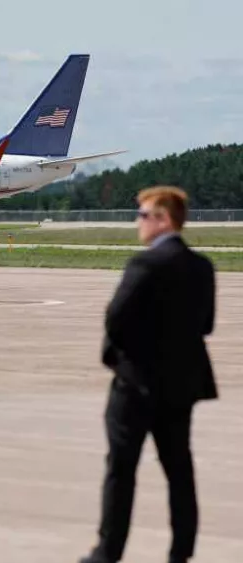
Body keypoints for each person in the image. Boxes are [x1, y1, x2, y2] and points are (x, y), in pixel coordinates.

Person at [80, 186, 217, 563]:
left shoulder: (144, 265)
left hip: (136, 384)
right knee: (179, 471)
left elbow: (116, 319)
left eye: (142, 215)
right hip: (182, 384)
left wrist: (116, 359)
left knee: (121, 471)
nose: (137, 222)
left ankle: (109, 552)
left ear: (163, 219)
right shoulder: (201, 266)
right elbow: (205, 325)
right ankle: (181, 553)